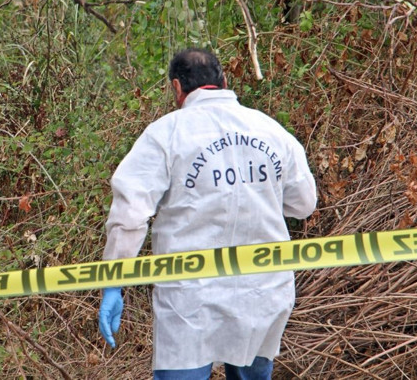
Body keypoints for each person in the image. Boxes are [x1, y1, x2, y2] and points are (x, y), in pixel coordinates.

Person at [98, 48, 317, 380]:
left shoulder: (166, 134)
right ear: (224, 81)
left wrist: (114, 282)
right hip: (262, 291)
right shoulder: (271, 131)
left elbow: (130, 214)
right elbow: (303, 204)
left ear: (176, 88)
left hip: (191, 298)